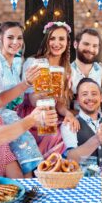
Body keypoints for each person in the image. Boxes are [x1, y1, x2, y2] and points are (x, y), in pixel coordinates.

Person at [0, 22, 44, 177]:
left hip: (13, 115)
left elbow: (26, 96)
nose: (15, 42)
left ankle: (30, 192)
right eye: (10, 37)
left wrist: (49, 90)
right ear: (0, 38)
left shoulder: (19, 62)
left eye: (19, 38)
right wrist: (25, 83)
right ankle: (29, 189)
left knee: (30, 143)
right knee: (27, 144)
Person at [17, 21, 79, 158]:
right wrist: (43, 95)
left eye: (61, 39)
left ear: (67, 42)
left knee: (69, 126)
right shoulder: (34, 63)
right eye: (52, 38)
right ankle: (40, 169)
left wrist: (68, 113)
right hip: (33, 113)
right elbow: (28, 99)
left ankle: (63, 166)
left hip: (53, 114)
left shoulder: (68, 70)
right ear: (46, 41)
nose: (57, 43)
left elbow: (60, 104)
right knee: (53, 134)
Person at [71, 28, 102, 112]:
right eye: (86, 44)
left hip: (99, 124)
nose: (90, 49)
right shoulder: (66, 72)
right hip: (73, 124)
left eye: (95, 46)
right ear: (75, 44)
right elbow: (60, 108)